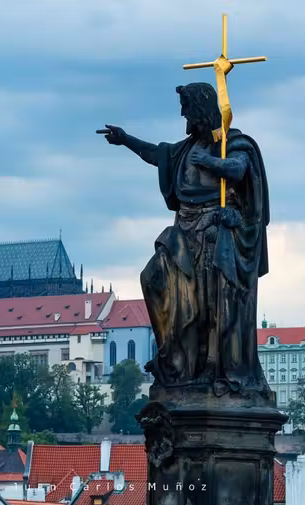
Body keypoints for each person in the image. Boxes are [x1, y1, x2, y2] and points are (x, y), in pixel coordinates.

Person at [98, 82, 271, 397]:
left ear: (201, 111)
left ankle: (217, 369)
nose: (183, 116)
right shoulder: (186, 149)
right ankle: (175, 359)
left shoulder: (233, 142)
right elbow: (157, 155)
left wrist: (210, 162)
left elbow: (237, 170)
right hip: (185, 231)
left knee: (215, 304)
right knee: (153, 277)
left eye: (187, 109)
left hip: (217, 234)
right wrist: (125, 140)